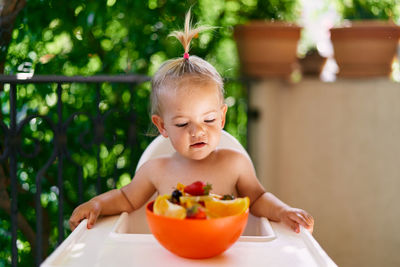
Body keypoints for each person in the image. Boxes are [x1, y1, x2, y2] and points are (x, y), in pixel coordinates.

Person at [69, 10, 314, 234]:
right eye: (183, 124)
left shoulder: (235, 164)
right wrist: (97, 204)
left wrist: (283, 211)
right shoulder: (156, 170)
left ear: (222, 118)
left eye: (208, 119)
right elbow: (125, 198)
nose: (198, 131)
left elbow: (258, 199)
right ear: (162, 126)